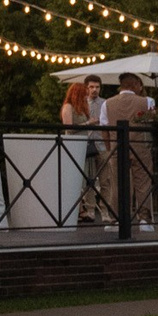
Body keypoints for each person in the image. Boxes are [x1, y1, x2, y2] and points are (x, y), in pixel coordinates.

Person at [100, 72, 156, 230]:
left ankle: (118, 219)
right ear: (136, 85)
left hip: (117, 147)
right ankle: (144, 220)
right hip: (140, 146)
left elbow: (104, 129)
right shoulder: (147, 101)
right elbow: (153, 123)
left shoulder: (107, 103)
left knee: (117, 184)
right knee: (143, 183)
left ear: (121, 85)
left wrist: (109, 148)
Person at [60, 80, 103, 224]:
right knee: (75, 179)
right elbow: (69, 127)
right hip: (73, 146)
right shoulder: (68, 107)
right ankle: (77, 210)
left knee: (84, 180)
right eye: (84, 94)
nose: (86, 96)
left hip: (83, 146)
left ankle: (82, 209)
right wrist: (88, 123)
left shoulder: (81, 108)